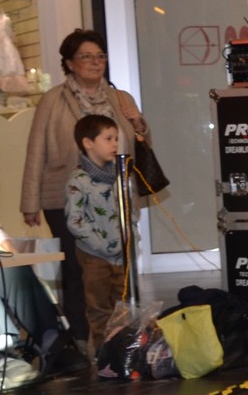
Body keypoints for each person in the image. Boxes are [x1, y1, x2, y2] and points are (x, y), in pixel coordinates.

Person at [19, 31, 150, 345]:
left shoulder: (121, 99)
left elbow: (141, 144)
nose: (95, 62)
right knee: (79, 273)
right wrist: (30, 201)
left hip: (115, 198)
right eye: (86, 56)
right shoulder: (53, 100)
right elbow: (36, 150)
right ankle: (80, 339)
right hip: (67, 198)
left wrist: (138, 123)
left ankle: (119, 339)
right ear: (69, 63)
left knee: (118, 273)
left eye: (100, 56)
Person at [63, 114, 133, 346]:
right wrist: (101, 245)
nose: (115, 144)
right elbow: (75, 220)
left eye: (116, 139)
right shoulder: (79, 180)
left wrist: (130, 234)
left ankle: (124, 347)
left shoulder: (119, 176)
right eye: (108, 139)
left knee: (123, 304)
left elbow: (128, 209)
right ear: (88, 143)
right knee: (99, 306)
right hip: (94, 255)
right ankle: (104, 351)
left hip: (120, 254)